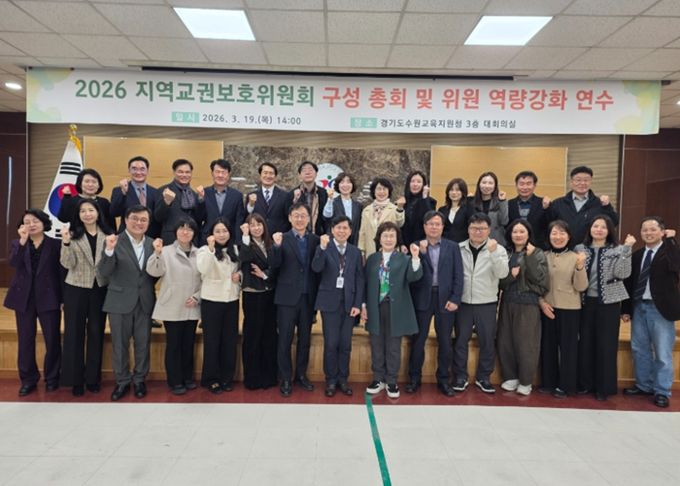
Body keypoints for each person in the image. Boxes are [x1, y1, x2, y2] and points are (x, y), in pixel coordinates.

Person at [97, 205, 156, 401]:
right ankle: (122, 381)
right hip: (119, 301)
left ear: (148, 222)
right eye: (135, 219)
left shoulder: (152, 243)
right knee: (120, 344)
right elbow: (104, 272)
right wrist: (109, 251)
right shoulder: (114, 241)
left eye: (143, 220)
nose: (139, 223)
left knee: (143, 343)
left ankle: (139, 380)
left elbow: (154, 273)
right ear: (126, 220)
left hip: (145, 301)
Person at [574, 215, 634, 401]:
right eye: (595, 226)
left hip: (609, 303)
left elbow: (623, 273)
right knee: (585, 343)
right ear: (590, 229)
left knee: (606, 345)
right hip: (585, 302)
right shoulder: (580, 249)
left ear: (609, 231)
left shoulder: (618, 249)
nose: (599, 230)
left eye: (603, 227)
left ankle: (604, 387)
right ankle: (585, 384)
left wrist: (627, 249)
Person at [622, 217, 680, 408]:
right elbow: (629, 284)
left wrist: (671, 241)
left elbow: (676, 265)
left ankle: (662, 391)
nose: (648, 233)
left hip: (661, 309)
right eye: (645, 230)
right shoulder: (638, 255)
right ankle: (643, 385)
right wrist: (626, 309)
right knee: (639, 349)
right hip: (639, 306)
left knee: (662, 352)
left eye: (653, 229)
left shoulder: (670, 251)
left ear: (662, 231)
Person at [4, 209, 62, 397]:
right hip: (24, 299)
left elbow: (61, 273)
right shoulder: (17, 243)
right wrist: (22, 241)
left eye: (35, 221)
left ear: (44, 223)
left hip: (49, 297)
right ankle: (28, 379)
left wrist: (62, 299)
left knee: (52, 339)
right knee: (25, 339)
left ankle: (52, 378)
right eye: (27, 221)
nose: (31, 225)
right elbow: (13, 263)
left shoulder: (55, 244)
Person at [407, 210, 463, 397]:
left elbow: (458, 275)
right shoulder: (416, 245)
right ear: (424, 227)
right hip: (422, 298)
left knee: (445, 342)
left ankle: (444, 380)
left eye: (437, 224)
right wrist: (420, 254)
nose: (434, 227)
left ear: (442, 227)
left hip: (445, 299)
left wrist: (455, 299)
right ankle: (414, 378)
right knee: (418, 341)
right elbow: (412, 274)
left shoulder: (452, 247)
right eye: (430, 223)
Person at [363, 222, 422, 399]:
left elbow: (414, 276)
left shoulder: (404, 259)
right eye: (385, 235)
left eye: (392, 236)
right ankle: (378, 379)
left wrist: (415, 258)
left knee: (393, 346)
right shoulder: (372, 259)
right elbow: (365, 284)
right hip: (375, 307)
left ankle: (391, 381)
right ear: (379, 238)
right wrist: (364, 305)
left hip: (396, 308)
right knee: (376, 344)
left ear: (397, 239)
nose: (388, 239)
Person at [59, 199, 111, 396]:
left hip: (100, 288)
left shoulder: (108, 235)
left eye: (91, 210)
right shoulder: (72, 235)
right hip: (76, 288)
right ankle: (75, 380)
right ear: (78, 215)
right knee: (74, 333)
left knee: (96, 332)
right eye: (83, 211)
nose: (87, 214)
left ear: (98, 213)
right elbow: (67, 264)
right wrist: (65, 242)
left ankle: (92, 378)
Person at [453, 213, 509, 394]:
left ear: (489, 230)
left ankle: (483, 377)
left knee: (487, 342)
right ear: (468, 229)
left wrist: (493, 254)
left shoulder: (498, 249)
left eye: (482, 228)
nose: (478, 232)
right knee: (461, 341)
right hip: (463, 303)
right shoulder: (459, 248)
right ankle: (460, 376)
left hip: (487, 303)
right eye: (474, 228)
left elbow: (503, 274)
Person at [270, 202, 320, 397]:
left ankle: (301, 375)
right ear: (290, 218)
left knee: (305, 340)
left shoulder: (315, 240)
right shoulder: (281, 238)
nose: (300, 219)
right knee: (284, 339)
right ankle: (285, 378)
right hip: (286, 298)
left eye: (303, 215)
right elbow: (274, 265)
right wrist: (276, 247)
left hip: (308, 298)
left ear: (309, 219)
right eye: (296, 215)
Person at [146, 219, 201, 395]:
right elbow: (153, 271)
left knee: (188, 344)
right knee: (174, 344)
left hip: (192, 305)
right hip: (172, 304)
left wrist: (197, 297)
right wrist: (156, 253)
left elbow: (205, 279)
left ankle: (187, 377)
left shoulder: (200, 253)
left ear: (194, 233)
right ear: (175, 231)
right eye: (181, 228)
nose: (185, 232)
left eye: (189, 229)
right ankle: (175, 381)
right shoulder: (166, 251)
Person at [311, 216, 364, 397]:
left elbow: (359, 279)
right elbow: (316, 268)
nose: (342, 231)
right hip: (329, 303)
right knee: (331, 343)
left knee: (345, 344)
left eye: (345, 228)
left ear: (350, 231)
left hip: (349, 304)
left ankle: (343, 379)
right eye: (338, 228)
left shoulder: (355, 252)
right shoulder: (324, 247)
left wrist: (358, 304)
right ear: (332, 230)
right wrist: (321, 248)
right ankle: (331, 380)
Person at [497, 219, 549, 396]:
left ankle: (526, 381)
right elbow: (500, 282)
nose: (518, 235)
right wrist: (511, 277)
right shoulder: (506, 253)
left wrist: (531, 257)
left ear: (528, 234)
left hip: (528, 303)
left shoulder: (537, 252)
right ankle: (510, 377)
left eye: (522, 232)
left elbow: (540, 280)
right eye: (515, 232)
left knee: (526, 344)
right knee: (505, 341)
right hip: (507, 301)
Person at [538, 220, 588, 398]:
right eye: (554, 233)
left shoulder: (576, 257)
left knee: (568, 348)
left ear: (569, 236)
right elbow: (536, 283)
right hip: (547, 307)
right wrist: (541, 302)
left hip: (570, 308)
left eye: (562, 233)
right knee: (548, 346)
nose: (557, 237)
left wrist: (580, 267)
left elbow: (581, 287)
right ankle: (548, 382)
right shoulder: (542, 256)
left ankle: (566, 385)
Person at [196, 218, 242, 393]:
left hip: (231, 300)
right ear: (211, 234)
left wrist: (240, 275)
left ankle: (226, 377)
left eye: (224, 231)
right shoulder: (204, 250)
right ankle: (211, 379)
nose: (221, 234)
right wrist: (210, 249)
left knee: (229, 341)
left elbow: (241, 268)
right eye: (217, 231)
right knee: (212, 341)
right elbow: (203, 269)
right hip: (212, 301)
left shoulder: (235, 250)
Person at [239, 214, 278, 390]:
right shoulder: (245, 243)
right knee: (252, 336)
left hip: (269, 292)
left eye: (259, 224)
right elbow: (245, 258)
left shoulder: (271, 243)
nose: (256, 228)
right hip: (252, 293)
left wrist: (265, 274)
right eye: (252, 225)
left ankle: (268, 376)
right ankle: (252, 378)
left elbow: (276, 265)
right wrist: (245, 236)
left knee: (269, 335)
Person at [547, 166, 619, 247]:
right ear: (571, 182)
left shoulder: (599, 203)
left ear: (591, 182)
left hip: (590, 249)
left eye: (586, 180)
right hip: (564, 249)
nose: (582, 183)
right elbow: (547, 226)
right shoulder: (558, 203)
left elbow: (614, 222)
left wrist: (607, 206)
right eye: (578, 180)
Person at [110, 155, 160, 238]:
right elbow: (114, 213)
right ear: (129, 170)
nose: (138, 172)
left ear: (147, 171)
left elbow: (158, 217)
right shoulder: (119, 190)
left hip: (150, 237)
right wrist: (123, 193)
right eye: (134, 169)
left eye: (142, 169)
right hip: (126, 237)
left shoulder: (155, 192)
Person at [197, 159, 245, 245]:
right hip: (207, 239)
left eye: (223, 172)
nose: (220, 175)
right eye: (217, 172)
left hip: (230, 240)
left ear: (229, 175)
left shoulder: (237, 195)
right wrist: (201, 199)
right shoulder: (204, 193)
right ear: (212, 173)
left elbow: (239, 221)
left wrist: (238, 243)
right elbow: (198, 218)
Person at [155, 159, 201, 245]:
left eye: (187, 172)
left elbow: (198, 219)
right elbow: (158, 217)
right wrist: (167, 202)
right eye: (180, 172)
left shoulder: (194, 194)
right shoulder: (164, 190)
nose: (184, 175)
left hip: (191, 240)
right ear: (174, 172)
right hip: (171, 239)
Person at [357, 178, 405, 259]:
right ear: (374, 191)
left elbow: (400, 223)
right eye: (379, 189)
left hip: (390, 252)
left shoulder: (394, 209)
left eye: (384, 189)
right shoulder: (366, 210)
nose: (382, 192)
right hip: (371, 252)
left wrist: (400, 208)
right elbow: (362, 233)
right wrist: (361, 252)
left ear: (389, 191)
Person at [507, 171, 549, 248]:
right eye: (521, 184)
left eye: (528, 184)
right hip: (514, 248)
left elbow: (548, 226)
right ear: (516, 185)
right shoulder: (509, 204)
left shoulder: (543, 203)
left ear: (534, 185)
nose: (525, 187)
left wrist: (546, 209)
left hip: (538, 248)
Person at [245, 162, 290, 235]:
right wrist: (251, 205)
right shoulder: (251, 195)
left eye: (271, 173)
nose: (268, 176)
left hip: (278, 238)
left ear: (275, 177)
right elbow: (247, 216)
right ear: (260, 175)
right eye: (265, 173)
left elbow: (288, 219)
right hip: (258, 237)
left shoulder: (285, 195)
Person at [321, 172, 363, 247]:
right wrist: (330, 200)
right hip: (334, 244)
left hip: (353, 244)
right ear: (338, 185)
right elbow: (326, 216)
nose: (345, 185)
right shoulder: (332, 202)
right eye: (342, 182)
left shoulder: (358, 206)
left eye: (348, 182)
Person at [287, 160, 328, 236]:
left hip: (318, 235)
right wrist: (295, 201)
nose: (307, 172)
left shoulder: (323, 193)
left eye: (310, 170)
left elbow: (326, 217)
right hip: (298, 235)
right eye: (304, 170)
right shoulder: (292, 194)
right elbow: (288, 215)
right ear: (299, 175)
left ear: (316, 174)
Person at [470, 171, 508, 247]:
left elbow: (504, 221)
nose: (487, 186)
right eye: (484, 182)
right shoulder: (472, 202)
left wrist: (502, 201)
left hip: (496, 242)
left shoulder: (500, 202)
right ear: (479, 184)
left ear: (495, 186)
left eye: (490, 183)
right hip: (476, 242)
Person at [401, 170, 437, 246]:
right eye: (412, 181)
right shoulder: (403, 202)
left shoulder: (430, 202)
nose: (415, 184)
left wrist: (424, 197)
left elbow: (429, 219)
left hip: (423, 244)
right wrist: (401, 243)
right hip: (404, 245)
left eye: (419, 182)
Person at [438, 178, 471, 243]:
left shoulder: (469, 208)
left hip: (463, 245)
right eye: (451, 190)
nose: (454, 192)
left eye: (457, 190)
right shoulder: (442, 210)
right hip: (445, 245)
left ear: (463, 192)